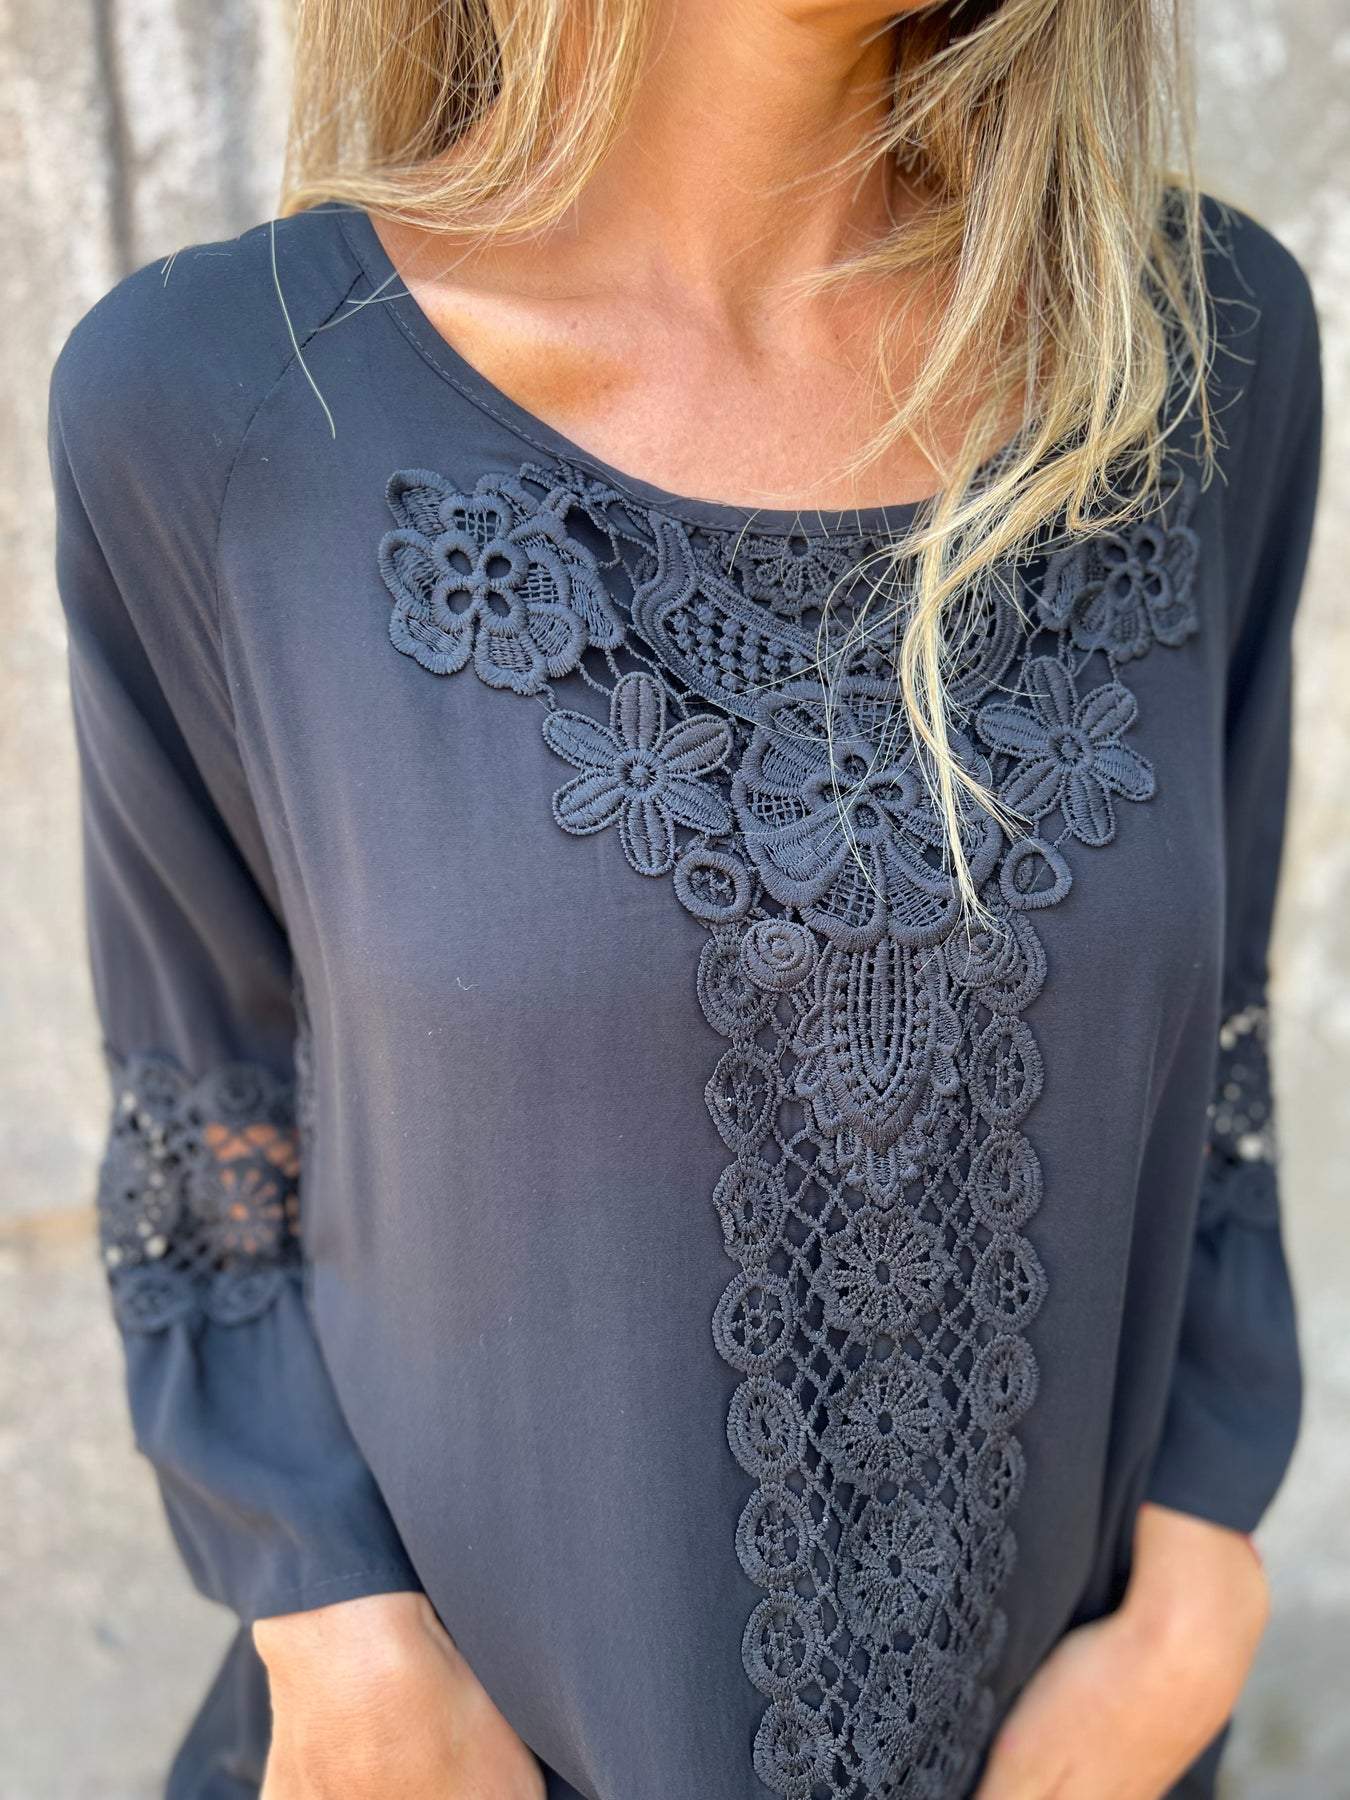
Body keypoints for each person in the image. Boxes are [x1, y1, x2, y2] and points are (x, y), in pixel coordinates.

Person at [48, 1, 1321, 1796]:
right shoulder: (223, 404)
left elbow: (1212, 1061)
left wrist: (1193, 1596)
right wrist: (337, 1633)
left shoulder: (1195, 345)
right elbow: (210, 1115)